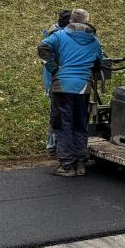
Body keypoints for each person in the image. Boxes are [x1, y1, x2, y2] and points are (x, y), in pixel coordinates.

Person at [39, 8, 105, 177]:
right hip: (83, 86)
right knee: (80, 124)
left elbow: (43, 47)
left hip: (63, 85)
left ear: (70, 21)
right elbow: (98, 64)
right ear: (86, 21)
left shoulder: (60, 36)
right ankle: (81, 162)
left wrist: (53, 67)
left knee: (64, 124)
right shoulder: (94, 40)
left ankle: (67, 165)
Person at [41, 10, 72, 152]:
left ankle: (55, 144)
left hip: (54, 79)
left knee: (57, 113)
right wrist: (56, 69)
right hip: (57, 80)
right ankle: (53, 145)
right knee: (57, 114)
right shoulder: (58, 35)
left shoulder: (54, 31)